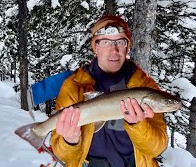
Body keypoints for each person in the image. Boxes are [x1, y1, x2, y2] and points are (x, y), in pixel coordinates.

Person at [50, 15, 168, 167]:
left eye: (120, 42)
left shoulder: (145, 87)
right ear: (95, 47)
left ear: (127, 47)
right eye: (106, 42)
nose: (114, 50)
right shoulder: (74, 86)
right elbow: (62, 154)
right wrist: (70, 141)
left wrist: (138, 125)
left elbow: (156, 149)